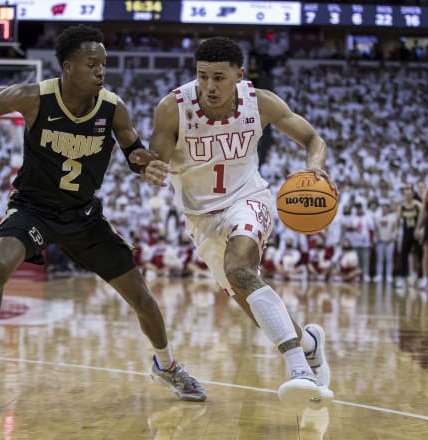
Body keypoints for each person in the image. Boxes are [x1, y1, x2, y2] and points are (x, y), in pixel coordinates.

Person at [0, 25, 205, 402]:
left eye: (104, 64)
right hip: (32, 209)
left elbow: (134, 151)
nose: (101, 71)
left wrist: (146, 165)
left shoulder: (113, 107)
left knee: (142, 297)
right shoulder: (32, 98)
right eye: (92, 64)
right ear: (67, 67)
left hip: (83, 215)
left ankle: (167, 365)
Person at [142, 37, 334, 407]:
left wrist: (316, 169)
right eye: (202, 77)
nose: (210, 87)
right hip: (200, 217)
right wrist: (152, 167)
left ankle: (300, 369)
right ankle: (309, 344)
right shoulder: (172, 108)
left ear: (239, 75)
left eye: (219, 77)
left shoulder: (260, 102)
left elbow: (312, 139)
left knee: (240, 268)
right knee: (249, 300)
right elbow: (157, 158)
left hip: (248, 198)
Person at [395, 185, 422, 288]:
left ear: (413, 194)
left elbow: (423, 217)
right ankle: (402, 277)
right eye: (406, 194)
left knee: (420, 255)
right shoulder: (401, 206)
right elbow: (398, 220)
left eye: (409, 194)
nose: (408, 196)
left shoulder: (418, 205)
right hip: (406, 233)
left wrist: (420, 229)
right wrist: (397, 230)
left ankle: (421, 277)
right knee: (404, 255)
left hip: (416, 232)